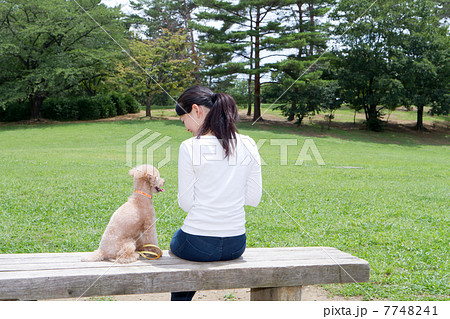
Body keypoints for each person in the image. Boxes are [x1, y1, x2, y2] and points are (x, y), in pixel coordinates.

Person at [170, 85, 262, 301]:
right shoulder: (249, 144)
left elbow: (185, 203)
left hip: (195, 244)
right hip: (235, 245)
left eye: (184, 120)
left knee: (178, 241)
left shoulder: (189, 147)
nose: (186, 128)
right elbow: (253, 198)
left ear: (196, 110)